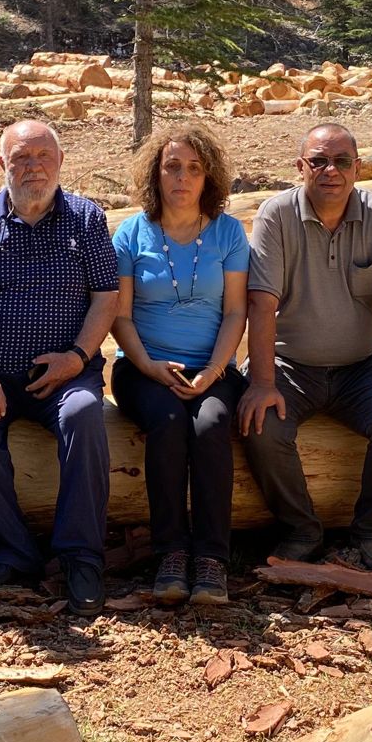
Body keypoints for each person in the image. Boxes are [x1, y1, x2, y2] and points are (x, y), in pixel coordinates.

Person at [0, 120, 119, 615]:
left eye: (43, 156)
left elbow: (106, 297)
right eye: (21, 158)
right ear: (2, 165)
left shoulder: (86, 218)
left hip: (68, 374)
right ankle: (12, 553)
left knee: (85, 415)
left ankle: (81, 556)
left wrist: (77, 358)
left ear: (60, 162)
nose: (33, 166)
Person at [238, 122, 372, 570]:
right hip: (290, 366)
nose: (330, 171)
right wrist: (262, 382)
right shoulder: (276, 215)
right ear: (301, 167)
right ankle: (300, 529)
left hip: (361, 367)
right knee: (262, 426)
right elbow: (261, 303)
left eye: (341, 161)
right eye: (318, 161)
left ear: (357, 169)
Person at [110, 124, 249, 606]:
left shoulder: (229, 232)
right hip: (141, 368)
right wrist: (148, 366)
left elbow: (235, 311)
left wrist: (215, 369)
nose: (182, 178)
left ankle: (211, 558)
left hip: (212, 367)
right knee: (168, 421)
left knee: (211, 423)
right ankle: (170, 552)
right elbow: (120, 316)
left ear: (209, 176)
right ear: (156, 172)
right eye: (172, 166)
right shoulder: (131, 232)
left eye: (194, 168)